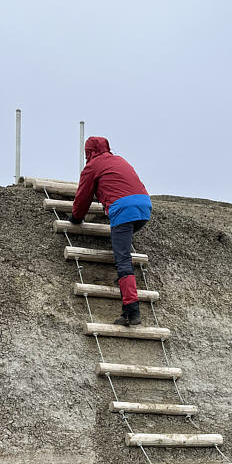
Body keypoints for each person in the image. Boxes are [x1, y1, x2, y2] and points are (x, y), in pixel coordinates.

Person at [70, 137, 151, 326]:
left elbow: (82, 197)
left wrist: (76, 218)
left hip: (124, 211)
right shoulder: (120, 160)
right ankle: (125, 284)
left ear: (88, 153)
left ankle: (131, 312)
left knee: (123, 261)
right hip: (144, 207)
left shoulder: (92, 167)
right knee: (122, 248)